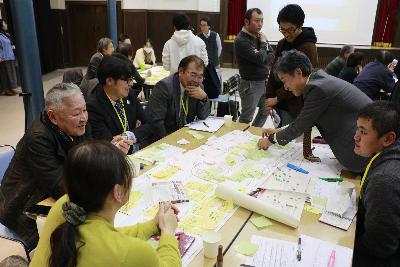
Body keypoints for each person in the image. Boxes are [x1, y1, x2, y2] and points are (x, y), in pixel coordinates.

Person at [30, 140, 181, 267]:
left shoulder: (65, 207)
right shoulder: (132, 252)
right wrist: (168, 232)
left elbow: (106, 238)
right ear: (117, 192)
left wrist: (152, 225)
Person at [0, 83, 90, 250]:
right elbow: (59, 186)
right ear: (53, 117)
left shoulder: (77, 125)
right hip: (24, 208)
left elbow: (89, 156)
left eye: (84, 110)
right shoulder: (37, 139)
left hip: (51, 194)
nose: (84, 117)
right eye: (77, 113)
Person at [257, 50, 371, 173]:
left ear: (298, 72)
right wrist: (276, 131)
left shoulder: (317, 89)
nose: (285, 87)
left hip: (359, 154)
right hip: (359, 147)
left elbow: (299, 127)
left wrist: (270, 140)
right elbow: (305, 121)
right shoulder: (318, 81)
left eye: (284, 80)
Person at [265, 4, 318, 161]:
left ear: (299, 26)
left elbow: (299, 82)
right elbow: (274, 72)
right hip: (279, 102)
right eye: (282, 29)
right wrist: (269, 98)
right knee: (279, 133)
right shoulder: (282, 43)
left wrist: (277, 98)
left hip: (295, 102)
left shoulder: (308, 47)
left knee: (290, 142)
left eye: (290, 29)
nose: (286, 33)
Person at [352, 101, 400, 266]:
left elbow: (380, 247)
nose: (356, 137)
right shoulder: (386, 156)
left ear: (388, 139)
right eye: (357, 129)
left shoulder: (384, 180)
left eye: (363, 132)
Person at [87, 55, 155, 151]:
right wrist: (136, 134)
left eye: (131, 79)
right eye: (127, 80)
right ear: (109, 80)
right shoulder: (94, 107)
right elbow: (108, 145)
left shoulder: (129, 94)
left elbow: (149, 125)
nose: (131, 84)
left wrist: (128, 135)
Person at [146, 55, 210, 139]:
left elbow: (203, 116)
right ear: (181, 71)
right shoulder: (164, 87)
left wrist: (204, 98)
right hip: (166, 136)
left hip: (186, 135)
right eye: (193, 75)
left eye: (200, 77)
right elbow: (156, 123)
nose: (196, 80)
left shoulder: (199, 88)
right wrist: (169, 142)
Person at [234, 8, 274, 127]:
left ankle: (252, 134)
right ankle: (238, 139)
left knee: (265, 111)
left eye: (262, 21)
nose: (260, 24)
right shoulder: (241, 40)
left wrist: (262, 54)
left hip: (264, 81)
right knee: (247, 117)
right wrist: (263, 44)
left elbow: (272, 54)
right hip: (250, 84)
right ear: (246, 22)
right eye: (257, 21)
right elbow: (261, 58)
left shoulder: (258, 36)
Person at [0, 19, 18, 96]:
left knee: (11, 73)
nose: (6, 25)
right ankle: (6, 89)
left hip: (10, 56)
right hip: (4, 57)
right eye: (4, 23)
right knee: (5, 74)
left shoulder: (6, 34)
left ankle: (11, 88)